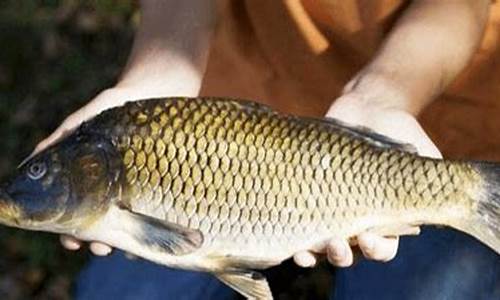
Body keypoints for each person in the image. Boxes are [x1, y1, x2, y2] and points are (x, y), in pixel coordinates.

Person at [34, 0, 500, 299]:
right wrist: (158, 74)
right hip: (222, 116)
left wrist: (383, 96)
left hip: (431, 116)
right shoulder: (137, 141)